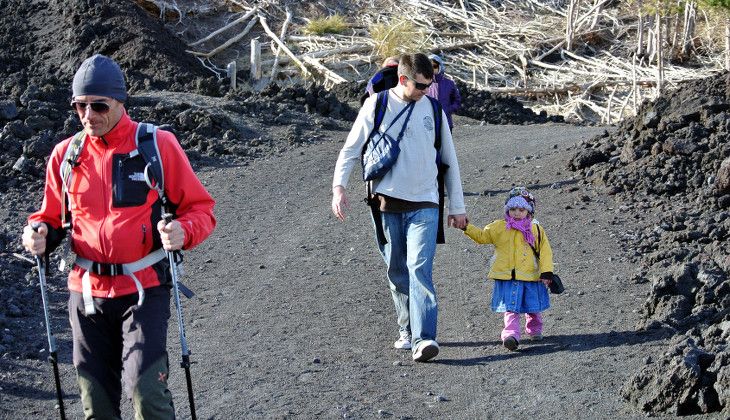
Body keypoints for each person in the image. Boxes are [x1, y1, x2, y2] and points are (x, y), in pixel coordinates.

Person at [21, 54, 216, 418]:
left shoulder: (156, 145)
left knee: (147, 393)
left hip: (143, 290)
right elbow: (49, 217)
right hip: (86, 294)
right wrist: (38, 233)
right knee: (96, 404)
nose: (87, 115)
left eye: (98, 105)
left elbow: (201, 209)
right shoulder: (66, 155)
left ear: (121, 102)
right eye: (80, 106)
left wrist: (183, 230)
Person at [332, 53, 467, 362]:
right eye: (420, 86)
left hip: (425, 202)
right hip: (385, 203)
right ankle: (407, 330)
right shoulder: (376, 105)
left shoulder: (432, 109)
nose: (426, 91)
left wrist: (456, 207)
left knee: (420, 269)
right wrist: (338, 187)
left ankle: (424, 339)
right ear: (403, 79)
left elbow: (450, 160)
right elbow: (351, 149)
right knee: (397, 271)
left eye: (429, 85)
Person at [458, 187, 554, 351]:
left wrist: (547, 271)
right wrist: (466, 227)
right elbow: (482, 237)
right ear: (507, 209)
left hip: (531, 276)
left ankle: (534, 330)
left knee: (533, 307)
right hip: (507, 277)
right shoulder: (499, 227)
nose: (517, 213)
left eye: (521, 209)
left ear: (529, 211)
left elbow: (545, 251)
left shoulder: (536, 229)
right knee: (511, 308)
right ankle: (511, 335)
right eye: (513, 209)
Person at [426, 54, 461, 132]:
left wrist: (449, 109)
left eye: (434, 66)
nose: (432, 69)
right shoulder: (422, 84)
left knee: (446, 144)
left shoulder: (449, 83)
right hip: (427, 125)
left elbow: (457, 100)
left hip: (446, 123)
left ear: (440, 66)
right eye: (429, 66)